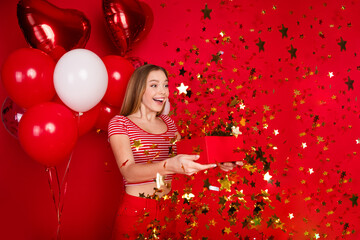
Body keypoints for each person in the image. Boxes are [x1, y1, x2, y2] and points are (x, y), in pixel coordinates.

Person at [108, 64, 239, 239]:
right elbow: (129, 172)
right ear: (138, 89)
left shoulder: (169, 123)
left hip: (167, 211)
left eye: (165, 85)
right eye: (154, 85)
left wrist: (219, 162)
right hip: (135, 211)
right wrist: (169, 165)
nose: (162, 91)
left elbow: (188, 156)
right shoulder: (120, 123)